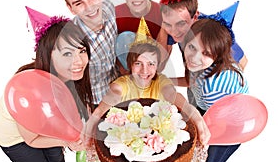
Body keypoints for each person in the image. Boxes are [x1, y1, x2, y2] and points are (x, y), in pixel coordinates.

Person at [0, 7, 95, 162]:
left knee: (57, 158)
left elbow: (76, 104)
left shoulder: (68, 76)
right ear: (49, 55)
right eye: (66, 53)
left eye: (82, 51)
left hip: (44, 124)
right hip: (15, 138)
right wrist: (68, 141)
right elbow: (32, 140)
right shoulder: (30, 90)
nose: (78, 61)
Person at [82, 18, 210, 147]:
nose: (145, 70)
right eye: (138, 63)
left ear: (157, 66)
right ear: (130, 64)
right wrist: (95, 117)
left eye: (151, 63)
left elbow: (174, 96)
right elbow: (113, 94)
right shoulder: (121, 84)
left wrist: (197, 118)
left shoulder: (161, 82)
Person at [181, 12, 249, 162]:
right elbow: (190, 81)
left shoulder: (212, 87)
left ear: (217, 55)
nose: (194, 57)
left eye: (206, 53)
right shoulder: (199, 69)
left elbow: (214, 125)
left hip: (232, 125)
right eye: (192, 47)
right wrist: (164, 81)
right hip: (214, 109)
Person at [159, 0, 248, 82]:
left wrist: (224, 86)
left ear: (195, 16)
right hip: (196, 88)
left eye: (180, 23)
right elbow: (160, 62)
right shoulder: (174, 30)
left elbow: (243, 62)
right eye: (168, 24)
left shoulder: (212, 31)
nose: (174, 31)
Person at [51, 0, 119, 105]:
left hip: (118, 86)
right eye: (79, 3)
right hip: (94, 100)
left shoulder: (108, 8)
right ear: (70, 8)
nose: (90, 7)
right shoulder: (72, 38)